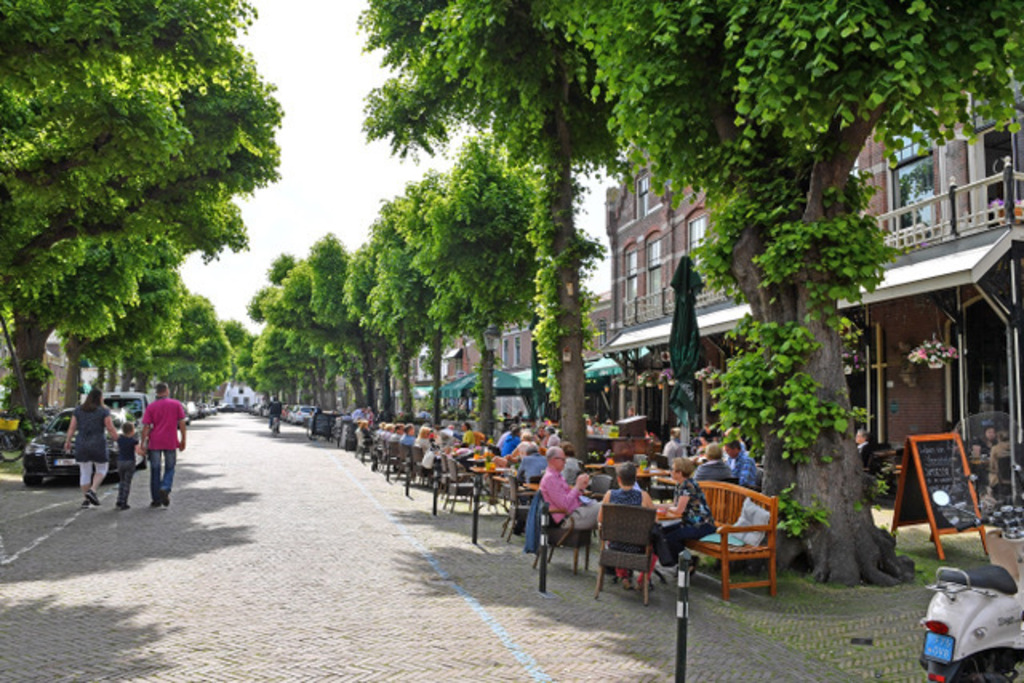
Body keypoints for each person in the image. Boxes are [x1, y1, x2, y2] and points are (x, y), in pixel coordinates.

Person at [599, 462, 656, 590]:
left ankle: (623, 576)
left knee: (617, 534)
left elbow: (600, 519)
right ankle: (642, 580)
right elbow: (654, 520)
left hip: (615, 546)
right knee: (655, 548)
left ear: (618, 479)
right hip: (637, 548)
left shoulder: (609, 495)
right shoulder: (643, 496)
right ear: (635, 479)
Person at [64, 388, 119, 508]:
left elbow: (72, 427)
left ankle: (86, 500)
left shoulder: (78, 410)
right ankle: (92, 490)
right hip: (98, 443)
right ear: (100, 398)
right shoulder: (104, 411)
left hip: (81, 443)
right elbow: (110, 427)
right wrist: (117, 438)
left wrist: (68, 441)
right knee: (102, 468)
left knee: (85, 471)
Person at [660, 457, 716, 572]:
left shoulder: (687, 486)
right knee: (661, 532)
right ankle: (683, 561)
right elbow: (675, 504)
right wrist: (654, 506)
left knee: (670, 538)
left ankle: (687, 562)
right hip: (689, 522)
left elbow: (678, 510)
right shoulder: (680, 484)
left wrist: (664, 510)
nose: (670, 471)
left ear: (679, 473)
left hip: (702, 525)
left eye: (672, 469)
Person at [141, 382, 187, 508]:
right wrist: (183, 440)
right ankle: (165, 487)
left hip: (155, 442)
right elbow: (182, 423)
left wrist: (142, 443)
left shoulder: (151, 407)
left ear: (157, 392)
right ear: (167, 391)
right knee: (170, 467)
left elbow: (146, 426)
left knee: (155, 470)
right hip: (170, 441)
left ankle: (156, 499)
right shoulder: (176, 404)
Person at [539, 446, 600, 531]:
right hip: (567, 518)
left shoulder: (557, 476)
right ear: (553, 460)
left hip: (575, 512)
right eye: (563, 460)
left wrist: (580, 488)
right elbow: (564, 505)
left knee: (606, 508)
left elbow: (569, 496)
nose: (565, 462)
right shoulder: (550, 478)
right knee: (604, 508)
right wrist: (577, 486)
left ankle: (610, 542)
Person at [115, 422, 142, 510]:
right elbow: (138, 451)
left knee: (121, 481)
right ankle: (124, 502)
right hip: (130, 462)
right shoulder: (134, 441)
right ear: (132, 430)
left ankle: (119, 500)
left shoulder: (119, 439)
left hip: (120, 462)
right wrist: (144, 452)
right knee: (127, 482)